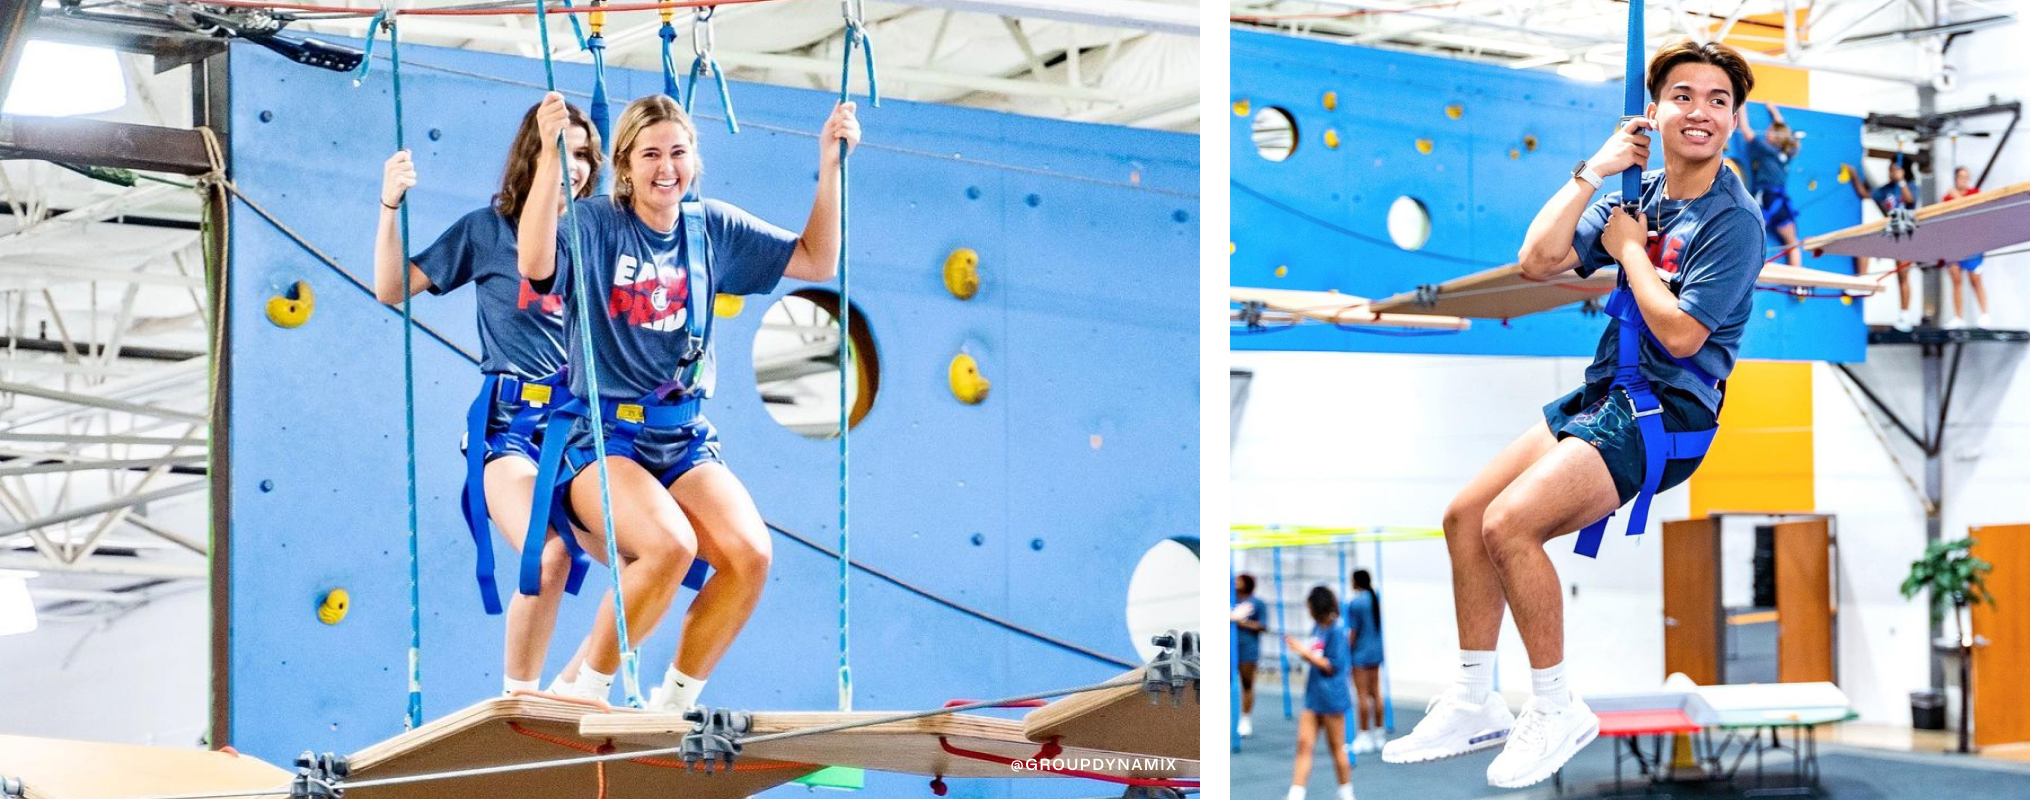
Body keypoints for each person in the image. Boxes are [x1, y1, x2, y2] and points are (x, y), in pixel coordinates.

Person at [1383, 38, 1763, 789]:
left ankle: (1555, 705)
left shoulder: (1733, 221)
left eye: (1719, 101)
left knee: (1509, 525)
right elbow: (1538, 260)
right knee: (1465, 515)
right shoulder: (1642, 193)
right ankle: (1473, 696)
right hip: (1607, 394)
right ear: (1654, 112)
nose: (1701, 112)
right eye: (1684, 95)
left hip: (1667, 412)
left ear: (1734, 120)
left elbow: (1684, 334)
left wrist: (1629, 255)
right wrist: (1595, 171)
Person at [517, 90, 859, 714]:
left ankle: (673, 704)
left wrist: (830, 163)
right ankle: (581, 691)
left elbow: (816, 258)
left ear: (694, 161)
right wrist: (548, 158)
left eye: (678, 152)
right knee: (670, 546)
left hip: (681, 437)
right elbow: (536, 264)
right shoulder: (595, 225)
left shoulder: (711, 229)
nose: (666, 167)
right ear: (624, 165)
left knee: (750, 556)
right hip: (602, 439)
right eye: (650, 154)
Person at [371, 100, 608, 696]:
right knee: (548, 554)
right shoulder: (488, 230)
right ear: (533, 159)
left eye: (582, 155)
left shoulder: (604, 234)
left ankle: (575, 687)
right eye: (561, 152)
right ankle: (519, 697)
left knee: (657, 558)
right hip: (509, 427)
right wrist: (389, 205)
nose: (574, 167)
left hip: (579, 427)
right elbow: (392, 287)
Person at [1286, 586, 1355, 800]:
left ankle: (1346, 793)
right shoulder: (1317, 628)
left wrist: (1303, 651)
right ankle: (1296, 793)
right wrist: (1305, 653)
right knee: (1304, 745)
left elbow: (1332, 665)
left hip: (1332, 697)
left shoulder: (1337, 630)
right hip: (1313, 695)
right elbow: (1315, 656)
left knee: (1337, 749)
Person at [1847, 157, 1920, 330]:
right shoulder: (1886, 189)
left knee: (1903, 275)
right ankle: (1862, 283)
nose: (1890, 172)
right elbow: (1865, 194)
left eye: (1894, 169)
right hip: (1890, 225)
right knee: (1865, 244)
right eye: (1890, 169)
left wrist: (1901, 181)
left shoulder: (1910, 186)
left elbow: (1910, 200)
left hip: (1904, 226)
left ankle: (1904, 314)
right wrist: (1855, 176)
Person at [1736, 101, 1802, 268]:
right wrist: (1774, 111)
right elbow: (1783, 130)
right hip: (1781, 201)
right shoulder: (1788, 151)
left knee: (1752, 235)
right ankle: (1798, 283)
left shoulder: (1766, 149)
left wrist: (1741, 105)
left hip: (1765, 197)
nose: (1767, 131)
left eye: (1770, 130)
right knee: (1792, 242)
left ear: (1775, 137)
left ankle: (1743, 267)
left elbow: (1745, 130)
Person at [1941, 166, 1991, 329]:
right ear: (1956, 178)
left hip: (1972, 242)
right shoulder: (1947, 197)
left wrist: (1959, 199)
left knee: (1975, 279)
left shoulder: (1975, 194)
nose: (1964, 180)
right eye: (1961, 177)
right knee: (1956, 278)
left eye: (1966, 177)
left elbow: (1975, 213)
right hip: (1955, 243)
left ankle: (1984, 314)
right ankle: (1958, 316)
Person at [1344, 569, 1385, 754]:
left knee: (1361, 695)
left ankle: (1364, 734)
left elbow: (1353, 632)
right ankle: (1379, 733)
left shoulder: (1355, 603)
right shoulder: (1374, 597)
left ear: (1356, 582)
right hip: (1375, 651)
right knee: (1375, 693)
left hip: (1360, 653)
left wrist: (1346, 650)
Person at [1231, 573, 1269, 738]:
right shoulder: (1232, 600)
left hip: (1248, 649)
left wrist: (1241, 622)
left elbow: (1263, 626)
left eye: (1240, 581)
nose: (1236, 583)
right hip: (1231, 648)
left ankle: (1245, 719)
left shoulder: (1258, 603)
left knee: (1247, 683)